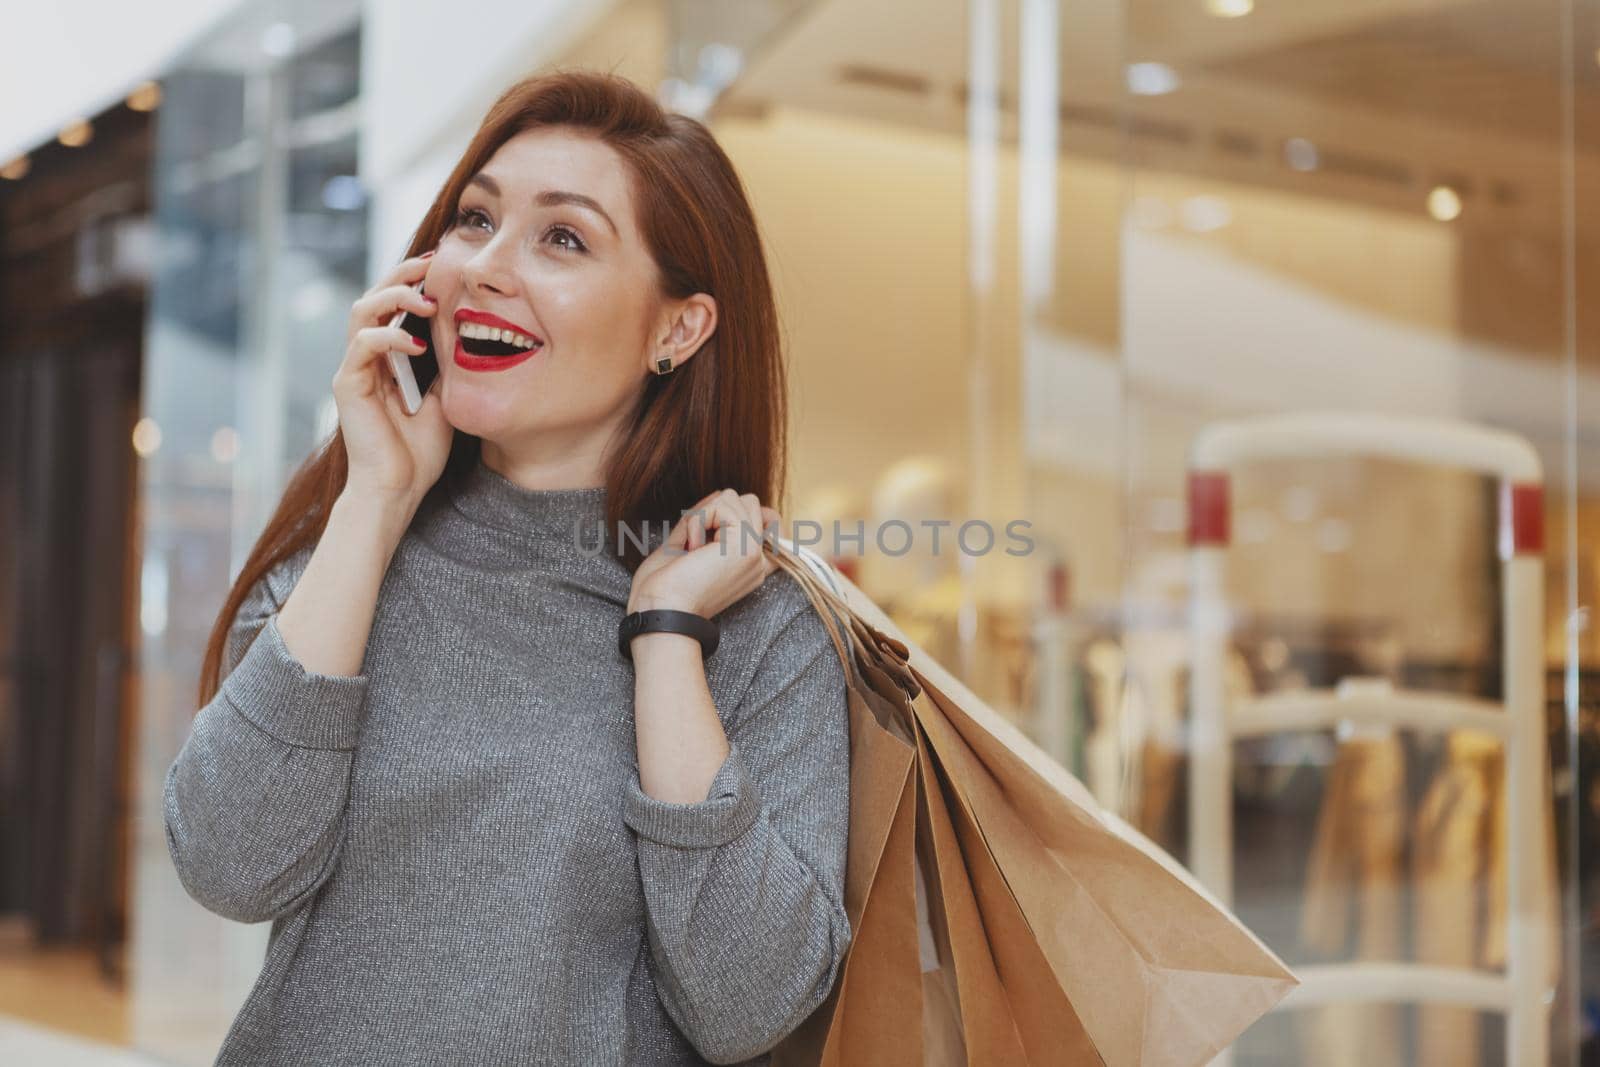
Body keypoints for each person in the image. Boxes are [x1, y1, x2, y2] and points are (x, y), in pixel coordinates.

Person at [164, 67, 852, 1066]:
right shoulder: (340, 562)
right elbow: (227, 867)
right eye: (473, 219)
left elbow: (749, 1005)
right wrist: (375, 500)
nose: (485, 267)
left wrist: (666, 638)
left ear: (678, 327)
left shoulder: (755, 624)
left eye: (562, 237)